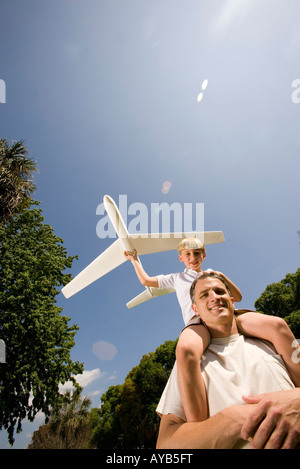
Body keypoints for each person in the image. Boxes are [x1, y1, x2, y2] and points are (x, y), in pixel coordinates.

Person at [124, 239, 299, 422]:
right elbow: (146, 280)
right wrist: (134, 260)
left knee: (278, 325)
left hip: (229, 315)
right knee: (186, 350)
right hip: (197, 323)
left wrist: (221, 276)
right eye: (188, 254)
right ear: (181, 258)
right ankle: (198, 424)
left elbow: (237, 297)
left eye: (197, 253)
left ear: (204, 255)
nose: (193, 258)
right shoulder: (177, 278)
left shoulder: (212, 274)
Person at [156, 272, 300, 449]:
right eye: (204, 294)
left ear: (232, 301)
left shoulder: (272, 341)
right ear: (195, 310)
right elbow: (165, 445)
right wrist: (232, 419)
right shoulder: (189, 362)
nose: (214, 297)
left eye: (219, 291)